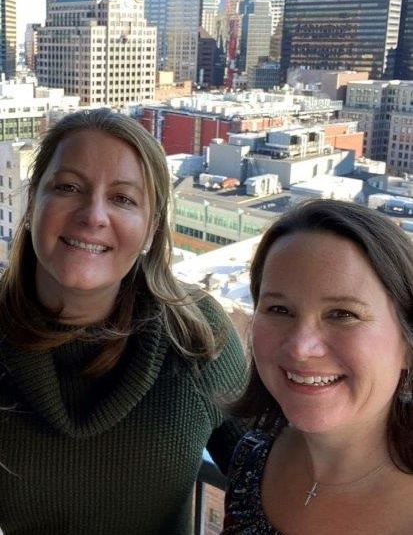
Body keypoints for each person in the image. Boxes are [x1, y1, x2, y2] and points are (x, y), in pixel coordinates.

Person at [0, 108, 246, 535]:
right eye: (68, 187)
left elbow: (267, 477)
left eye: (123, 198)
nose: (93, 215)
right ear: (32, 201)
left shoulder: (196, 334)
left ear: (151, 231)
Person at [222, 198, 413, 535]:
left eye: (342, 314)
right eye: (279, 310)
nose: (300, 348)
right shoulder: (251, 461)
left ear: (407, 345)